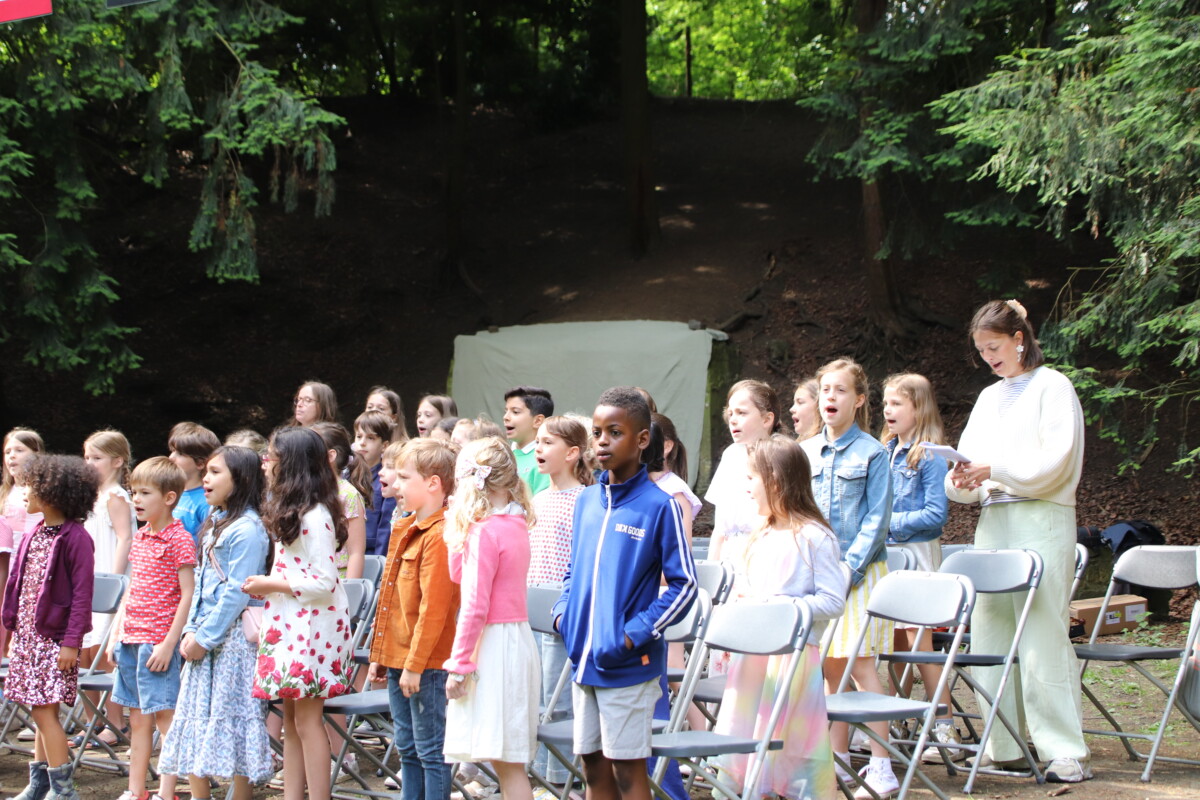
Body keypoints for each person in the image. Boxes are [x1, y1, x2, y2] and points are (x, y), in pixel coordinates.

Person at [946, 299, 1091, 783]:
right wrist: (962, 479)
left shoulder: (1054, 386)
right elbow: (969, 461)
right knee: (991, 628)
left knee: (1042, 631)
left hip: (1040, 517)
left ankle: (1064, 749)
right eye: (981, 350)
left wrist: (997, 470)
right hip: (994, 521)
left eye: (994, 347)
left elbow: (1057, 461)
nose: (988, 357)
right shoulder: (989, 398)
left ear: (1019, 339)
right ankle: (1001, 742)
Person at [552, 387, 697, 800]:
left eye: (615, 433)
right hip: (584, 660)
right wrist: (565, 616)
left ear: (642, 439)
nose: (602, 441)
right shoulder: (587, 501)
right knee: (593, 768)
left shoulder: (660, 506)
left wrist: (633, 634)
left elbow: (684, 585)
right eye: (597, 432)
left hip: (629, 666)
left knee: (628, 773)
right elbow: (573, 569)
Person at [714, 435, 845, 800]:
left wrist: (781, 608)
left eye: (751, 478)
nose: (747, 487)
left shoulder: (814, 537)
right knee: (747, 731)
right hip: (753, 657)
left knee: (788, 740)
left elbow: (833, 601)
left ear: (774, 481)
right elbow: (747, 585)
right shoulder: (761, 534)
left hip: (792, 658)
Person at [799, 358, 896, 799]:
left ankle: (882, 765)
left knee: (859, 665)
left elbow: (877, 521)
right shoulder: (805, 452)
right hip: (819, 575)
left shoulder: (873, 453)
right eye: (825, 390)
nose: (830, 398)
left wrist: (848, 570)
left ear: (858, 400)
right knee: (830, 667)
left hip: (859, 574)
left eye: (840, 390)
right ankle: (836, 761)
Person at [159, 446, 273, 799]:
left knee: (234, 718)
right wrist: (190, 630)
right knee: (193, 719)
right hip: (203, 637)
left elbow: (237, 592)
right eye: (206, 471)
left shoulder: (249, 529)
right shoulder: (216, 522)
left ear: (241, 479)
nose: (206, 479)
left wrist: (204, 637)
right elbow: (200, 584)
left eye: (215, 472)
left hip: (233, 643)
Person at [246, 427, 354, 800]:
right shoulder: (292, 511)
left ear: (290, 465)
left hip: (312, 629)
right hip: (289, 622)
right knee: (291, 721)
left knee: (308, 721)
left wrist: (271, 584)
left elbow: (325, 581)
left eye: (272, 457)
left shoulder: (316, 515)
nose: (265, 463)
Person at [442, 438, 541, 800]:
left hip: (492, 646)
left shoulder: (484, 532)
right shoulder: (514, 523)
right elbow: (459, 574)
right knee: (507, 760)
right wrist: (457, 531)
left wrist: (459, 666)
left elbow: (474, 605)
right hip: (515, 639)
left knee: (506, 763)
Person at [366, 438, 461, 800]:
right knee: (406, 747)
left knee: (431, 750)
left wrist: (414, 665)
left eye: (405, 477)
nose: (395, 483)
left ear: (433, 484)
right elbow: (390, 598)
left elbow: (433, 610)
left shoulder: (440, 536)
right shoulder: (405, 526)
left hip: (425, 664)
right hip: (398, 657)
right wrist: (380, 653)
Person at [2, 455, 97, 800]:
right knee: (39, 710)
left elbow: (82, 596)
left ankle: (64, 790)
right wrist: (12, 631)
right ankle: (40, 783)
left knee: (44, 712)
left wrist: (71, 643)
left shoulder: (76, 538)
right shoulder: (35, 532)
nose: (23, 492)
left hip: (53, 642)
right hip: (29, 639)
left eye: (30, 486)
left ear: (52, 493)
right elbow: (18, 584)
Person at [879, 373, 958, 762]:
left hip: (918, 555)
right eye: (886, 403)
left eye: (897, 403)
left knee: (918, 639)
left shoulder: (930, 456)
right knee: (897, 642)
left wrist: (888, 523)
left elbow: (935, 514)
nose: (888, 410)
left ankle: (944, 724)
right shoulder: (885, 451)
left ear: (919, 408)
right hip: (890, 558)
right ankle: (898, 718)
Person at [107, 456, 197, 800]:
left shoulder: (179, 538)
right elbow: (132, 589)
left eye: (145, 493)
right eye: (134, 492)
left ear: (169, 497)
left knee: (164, 717)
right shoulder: (142, 537)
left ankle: (166, 791)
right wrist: (116, 634)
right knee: (138, 719)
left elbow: (188, 593)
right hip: (130, 640)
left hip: (157, 643)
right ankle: (136, 791)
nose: (137, 500)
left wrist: (169, 643)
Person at [528, 416, 593, 788]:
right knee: (537, 699)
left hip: (561, 610)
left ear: (572, 453)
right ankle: (539, 778)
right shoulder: (537, 499)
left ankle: (560, 781)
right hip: (531, 607)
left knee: (559, 698)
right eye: (537, 441)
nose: (539, 448)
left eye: (547, 442)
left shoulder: (585, 499)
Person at [77, 429, 137, 748]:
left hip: (108, 581)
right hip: (88, 579)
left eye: (96, 458)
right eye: (87, 457)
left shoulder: (116, 496)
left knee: (103, 654)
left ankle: (115, 723)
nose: (89, 463)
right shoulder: (93, 495)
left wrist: (112, 582)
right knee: (82, 652)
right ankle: (92, 722)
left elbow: (125, 538)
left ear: (117, 461)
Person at [705, 380, 778, 568]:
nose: (733, 420)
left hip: (765, 558)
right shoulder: (730, 455)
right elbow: (720, 529)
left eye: (742, 413)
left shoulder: (780, 456)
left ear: (766, 419)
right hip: (729, 560)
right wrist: (711, 570)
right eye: (730, 413)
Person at [311, 422, 369, 580]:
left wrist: (351, 589)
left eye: (310, 450)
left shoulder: (348, 495)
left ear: (330, 456)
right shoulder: (306, 490)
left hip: (337, 580)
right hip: (307, 581)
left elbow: (356, 552)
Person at [645, 413, 700, 541]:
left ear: (667, 446)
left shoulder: (675, 492)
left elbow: (683, 547)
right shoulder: (628, 482)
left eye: (646, 440)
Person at [167, 422, 221, 548]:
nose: (171, 457)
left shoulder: (207, 501)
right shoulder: (168, 492)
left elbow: (207, 545)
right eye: (172, 451)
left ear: (200, 463)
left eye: (180, 454)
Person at [353, 411, 397, 557]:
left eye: (370, 438)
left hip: (372, 554)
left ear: (384, 445)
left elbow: (385, 527)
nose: (362, 442)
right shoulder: (346, 476)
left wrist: (379, 560)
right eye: (359, 436)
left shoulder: (385, 480)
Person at [503, 385, 554, 497]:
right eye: (506, 411)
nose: (506, 417)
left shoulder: (543, 460)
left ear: (538, 421)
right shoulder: (502, 455)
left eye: (515, 412)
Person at [1, 428, 45, 554]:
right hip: (6, 563)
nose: (12, 455)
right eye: (7, 452)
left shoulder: (45, 492)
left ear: (37, 454)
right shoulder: (3, 493)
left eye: (19, 450)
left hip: (33, 560)